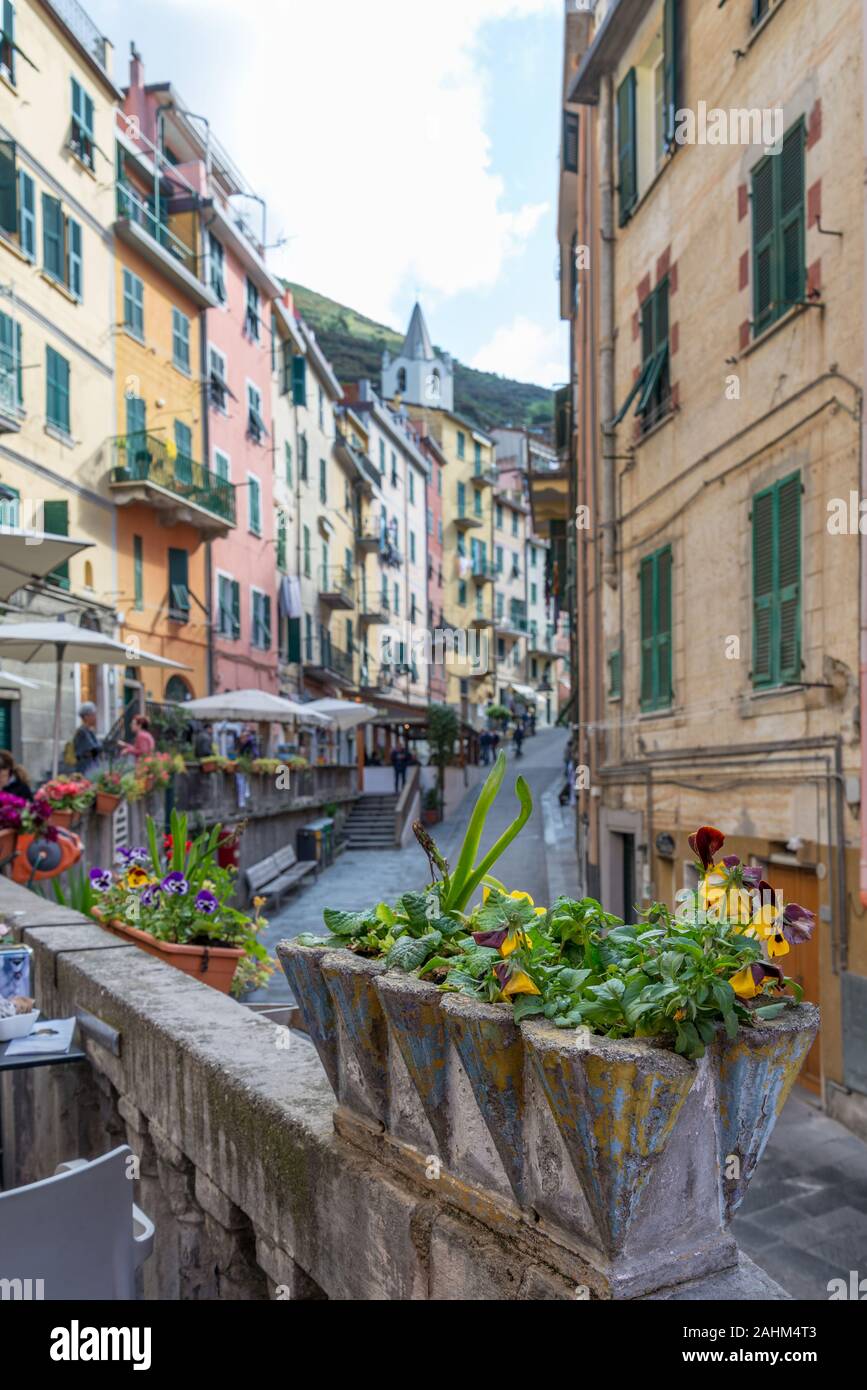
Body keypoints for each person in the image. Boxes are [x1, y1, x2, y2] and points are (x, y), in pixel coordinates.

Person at [73, 702, 102, 774]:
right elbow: (94, 749)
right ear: (86, 717)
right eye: (93, 714)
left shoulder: (90, 731)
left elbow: (98, 748)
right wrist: (97, 749)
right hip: (85, 769)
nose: (95, 717)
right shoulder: (82, 732)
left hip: (92, 768)